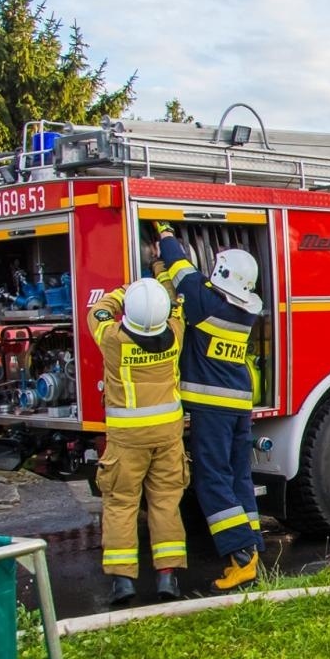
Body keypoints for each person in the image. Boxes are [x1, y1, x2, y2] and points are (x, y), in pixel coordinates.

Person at [154, 225, 266, 591]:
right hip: (237, 406)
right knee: (239, 477)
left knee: (212, 480)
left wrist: (167, 236)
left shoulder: (205, 304)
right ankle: (252, 550)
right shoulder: (240, 309)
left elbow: (182, 269)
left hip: (213, 410)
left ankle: (241, 556)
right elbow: (195, 281)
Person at [88, 277, 189, 606]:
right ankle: (168, 577)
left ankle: (123, 583)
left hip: (127, 439)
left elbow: (99, 310)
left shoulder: (113, 339)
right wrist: (161, 280)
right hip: (168, 435)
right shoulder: (175, 332)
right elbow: (176, 304)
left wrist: (124, 292)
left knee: (121, 505)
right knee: (165, 503)